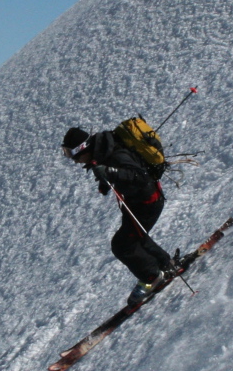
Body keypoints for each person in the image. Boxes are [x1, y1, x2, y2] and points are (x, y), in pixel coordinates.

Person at [62, 126, 177, 302]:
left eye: (71, 154)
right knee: (136, 236)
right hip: (135, 201)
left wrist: (110, 173)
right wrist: (106, 181)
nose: (74, 160)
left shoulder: (114, 154)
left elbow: (140, 176)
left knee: (122, 245)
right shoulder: (102, 152)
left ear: (82, 148)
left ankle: (152, 278)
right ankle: (165, 264)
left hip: (147, 202)